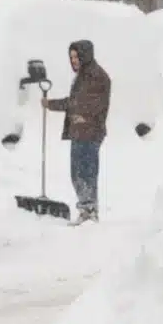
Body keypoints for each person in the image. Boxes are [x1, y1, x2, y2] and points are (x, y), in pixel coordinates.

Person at [41, 40, 111, 226]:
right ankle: (86, 208)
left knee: (85, 172)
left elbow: (84, 104)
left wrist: (57, 106)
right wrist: (53, 104)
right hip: (80, 131)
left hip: (90, 132)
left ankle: (89, 210)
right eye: (71, 57)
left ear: (85, 55)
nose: (73, 61)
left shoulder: (96, 76)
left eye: (76, 56)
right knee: (78, 172)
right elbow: (76, 102)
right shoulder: (84, 75)